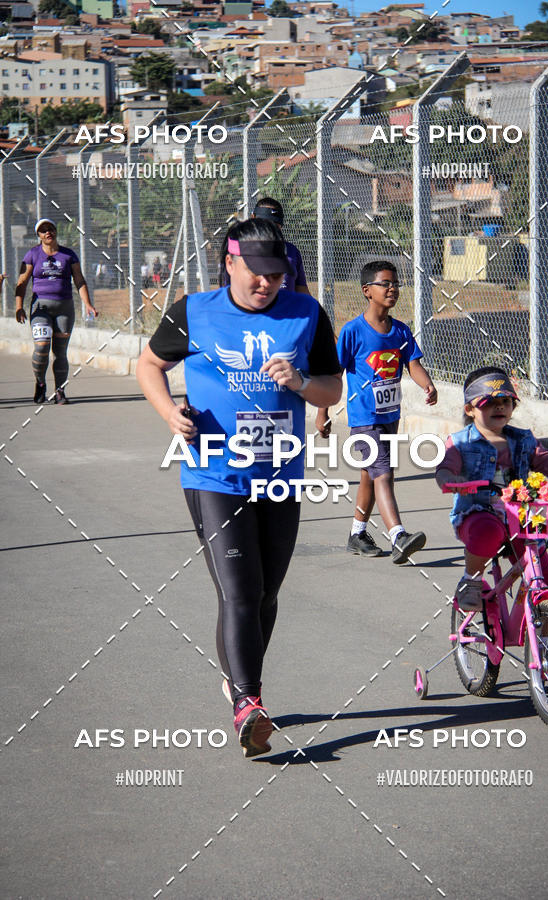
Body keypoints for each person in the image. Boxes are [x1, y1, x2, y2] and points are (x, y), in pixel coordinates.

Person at [136, 217, 342, 758]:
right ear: (230, 263)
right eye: (256, 273)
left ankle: (238, 682)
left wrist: (299, 382)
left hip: (281, 473)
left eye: (276, 275)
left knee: (267, 593)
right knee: (240, 591)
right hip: (214, 475)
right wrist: (169, 415)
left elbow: (331, 390)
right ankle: (249, 703)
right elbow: (150, 365)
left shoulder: (307, 313)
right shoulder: (193, 312)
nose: (266, 284)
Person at [435, 366, 548, 611]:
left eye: (506, 401)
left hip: (522, 517)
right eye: (489, 403)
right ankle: (471, 581)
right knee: (486, 531)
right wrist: (451, 480)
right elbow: (446, 468)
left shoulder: (524, 439)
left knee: (546, 579)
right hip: (479, 513)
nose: (499, 407)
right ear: (469, 409)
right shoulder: (460, 442)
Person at [317, 260, 437, 564]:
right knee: (382, 471)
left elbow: (413, 363)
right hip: (364, 419)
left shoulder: (401, 331)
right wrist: (323, 412)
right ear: (367, 291)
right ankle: (398, 535)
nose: (393, 288)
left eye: (395, 283)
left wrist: (428, 385)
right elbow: (334, 374)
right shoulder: (353, 331)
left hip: (389, 416)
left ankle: (357, 533)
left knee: (373, 474)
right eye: (385, 283)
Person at [15, 218, 97, 405]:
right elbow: (22, 282)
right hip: (40, 308)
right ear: (39, 235)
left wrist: (88, 304)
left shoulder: (68, 255)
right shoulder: (32, 255)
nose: (47, 233)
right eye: (43, 231)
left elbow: (79, 280)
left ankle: (60, 390)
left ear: (55, 231)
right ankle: (40, 383)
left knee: (60, 352)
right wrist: (19, 306)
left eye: (50, 229)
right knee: (42, 347)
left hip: (64, 308)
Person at [219, 198, 310, 295]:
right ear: (253, 217)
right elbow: (226, 291)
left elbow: (302, 290)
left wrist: (315, 309)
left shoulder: (291, 251)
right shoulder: (238, 250)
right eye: (265, 224)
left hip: (286, 310)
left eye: (275, 226)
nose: (269, 230)